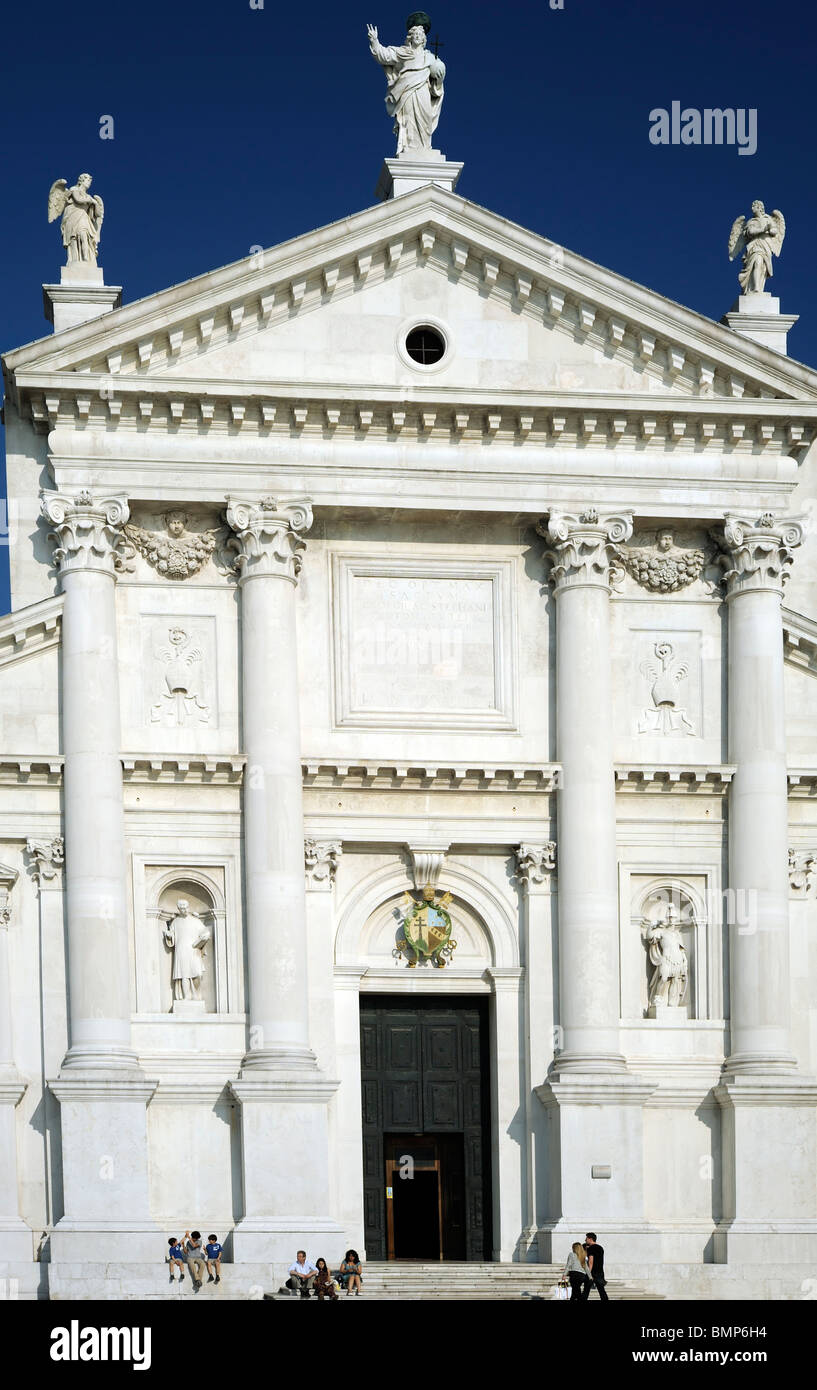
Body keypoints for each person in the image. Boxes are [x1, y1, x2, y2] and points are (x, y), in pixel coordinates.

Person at [583, 1232, 608, 1301]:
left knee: (586, 1291)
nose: (585, 1240)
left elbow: (591, 1262)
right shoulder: (600, 1248)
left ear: (590, 1239)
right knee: (602, 1291)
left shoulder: (591, 1248)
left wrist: (589, 1273)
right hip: (600, 1272)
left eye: (586, 1238)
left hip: (592, 1273)